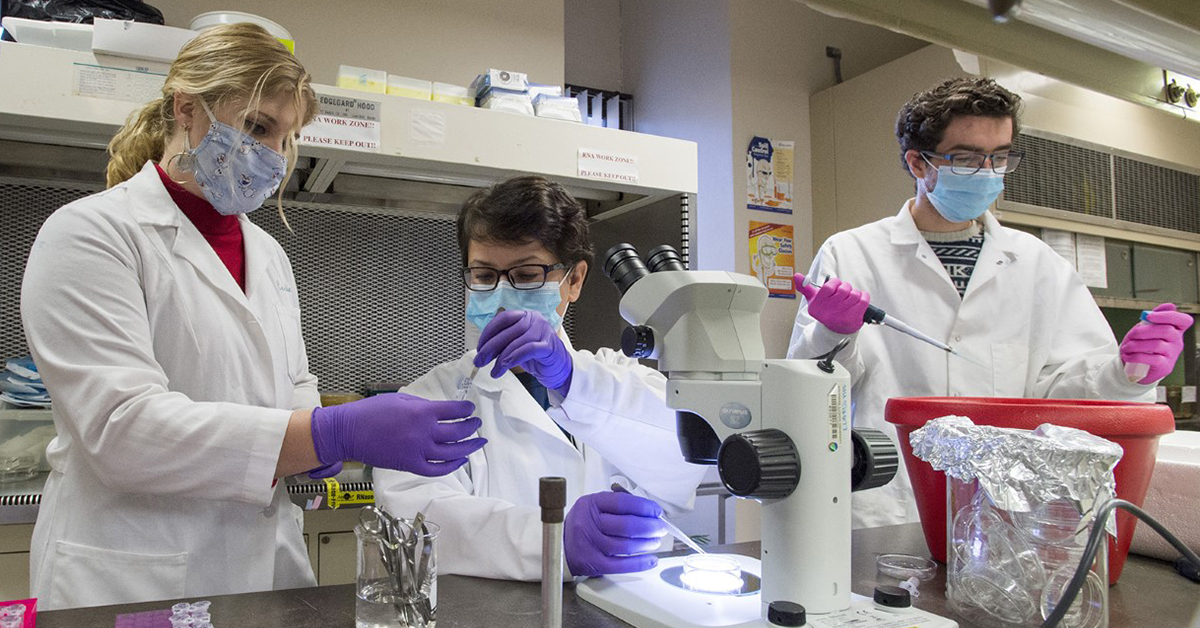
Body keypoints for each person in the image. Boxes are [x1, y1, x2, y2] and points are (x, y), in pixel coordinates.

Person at [20, 24, 484, 610]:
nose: (273, 158)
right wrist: (329, 431)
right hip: (134, 574)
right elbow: (123, 432)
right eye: (258, 128)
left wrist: (320, 440)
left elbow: (293, 388)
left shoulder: (268, 255)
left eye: (286, 139)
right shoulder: (89, 234)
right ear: (186, 109)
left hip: (264, 571)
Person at [787, 77, 1193, 528]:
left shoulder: (1039, 265)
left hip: (1009, 515)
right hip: (888, 506)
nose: (986, 172)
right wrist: (832, 333)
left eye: (998, 157)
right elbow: (808, 394)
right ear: (918, 164)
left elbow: (1063, 394)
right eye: (965, 158)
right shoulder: (852, 253)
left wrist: (1127, 372)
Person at [374, 176, 708, 580]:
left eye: (527, 274)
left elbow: (686, 450)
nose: (500, 295)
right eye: (483, 276)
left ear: (575, 280)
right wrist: (553, 540)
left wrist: (573, 383)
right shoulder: (430, 400)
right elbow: (417, 522)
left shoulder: (616, 376)